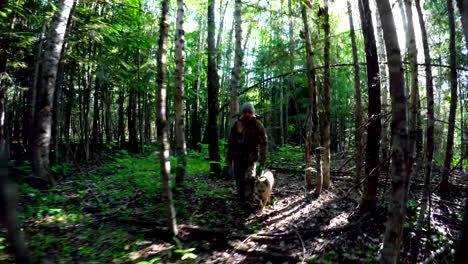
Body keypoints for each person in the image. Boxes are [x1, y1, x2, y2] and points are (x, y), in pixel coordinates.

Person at [227, 102, 267, 210]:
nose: (247, 115)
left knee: (250, 179)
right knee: (239, 180)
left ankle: (249, 201)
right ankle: (241, 201)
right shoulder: (236, 125)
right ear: (242, 113)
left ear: (253, 113)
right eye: (245, 112)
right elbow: (230, 143)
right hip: (238, 158)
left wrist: (262, 163)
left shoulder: (258, 125)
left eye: (249, 112)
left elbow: (263, 143)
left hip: (251, 158)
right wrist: (229, 162)